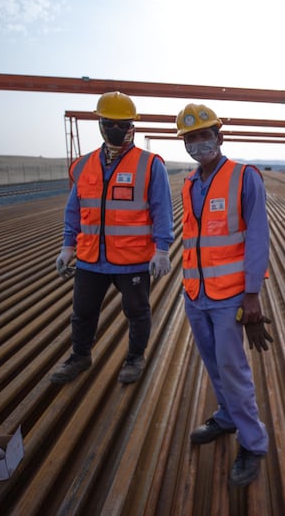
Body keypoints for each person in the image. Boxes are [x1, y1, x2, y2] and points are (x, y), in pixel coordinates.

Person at [177, 103, 273, 488]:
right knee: (214, 364)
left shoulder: (243, 177)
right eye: (190, 138)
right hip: (195, 293)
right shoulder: (189, 184)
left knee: (234, 370)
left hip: (230, 296)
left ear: (219, 136)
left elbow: (257, 237)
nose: (198, 144)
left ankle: (253, 442)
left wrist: (252, 295)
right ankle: (227, 417)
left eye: (204, 135)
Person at [51, 91, 174, 385]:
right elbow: (74, 209)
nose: (117, 129)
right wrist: (68, 246)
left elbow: (162, 209)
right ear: (101, 124)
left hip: (131, 259)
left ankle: (135, 358)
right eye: (110, 123)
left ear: (133, 126)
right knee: (83, 312)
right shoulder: (84, 165)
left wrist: (163, 249)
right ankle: (80, 356)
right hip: (91, 257)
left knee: (137, 311)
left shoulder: (149, 164)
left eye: (123, 124)